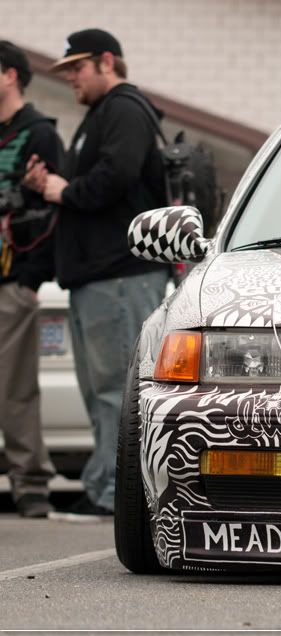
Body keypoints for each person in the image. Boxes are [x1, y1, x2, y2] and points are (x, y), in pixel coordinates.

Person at [22, 29, 169, 521]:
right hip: (100, 278)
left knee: (115, 392)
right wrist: (52, 184)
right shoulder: (103, 114)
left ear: (108, 61)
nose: (71, 78)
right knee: (101, 391)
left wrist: (65, 190)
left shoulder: (124, 109)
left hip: (119, 275)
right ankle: (104, 486)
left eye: (77, 68)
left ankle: (111, 494)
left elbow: (118, 174)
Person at [0, 41, 63, 518]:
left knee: (14, 388)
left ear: (10, 75)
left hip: (12, 280)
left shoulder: (39, 133)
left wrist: (31, 279)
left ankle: (30, 484)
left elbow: (53, 212)